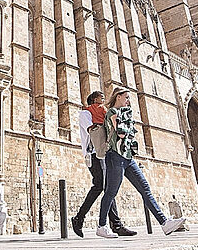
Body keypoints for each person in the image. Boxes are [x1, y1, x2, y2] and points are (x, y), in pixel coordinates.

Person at [97, 86, 186, 239]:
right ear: (118, 97)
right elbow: (121, 132)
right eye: (126, 97)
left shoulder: (123, 113)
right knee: (111, 192)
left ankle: (164, 223)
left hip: (127, 157)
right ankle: (102, 226)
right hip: (115, 156)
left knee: (145, 188)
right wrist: (128, 124)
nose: (128, 101)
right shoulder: (113, 112)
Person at [71, 91, 136, 238]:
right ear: (94, 99)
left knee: (104, 186)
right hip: (94, 154)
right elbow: (92, 130)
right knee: (104, 186)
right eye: (101, 98)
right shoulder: (85, 114)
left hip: (105, 154)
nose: (103, 100)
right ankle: (113, 224)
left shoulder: (103, 112)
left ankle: (81, 219)